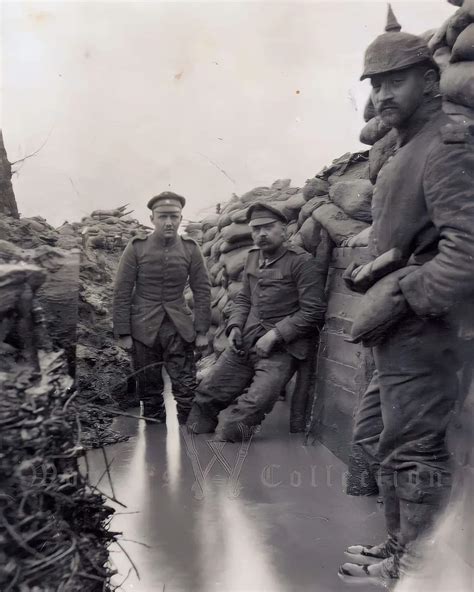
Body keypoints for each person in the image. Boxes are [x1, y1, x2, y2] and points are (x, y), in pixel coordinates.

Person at [339, 7, 474, 586]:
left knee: (416, 446)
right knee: (394, 440)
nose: (383, 94)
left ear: (428, 78)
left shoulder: (446, 144)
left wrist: (413, 294)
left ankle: (416, 564)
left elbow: (467, 246)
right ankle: (400, 544)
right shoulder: (403, 147)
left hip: (428, 329)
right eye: (376, 84)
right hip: (400, 328)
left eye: (395, 80)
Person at [186, 202, 326, 442]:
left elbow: (313, 310)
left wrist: (276, 335)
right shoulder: (252, 258)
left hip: (281, 350)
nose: (261, 234)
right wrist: (235, 326)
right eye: (255, 229)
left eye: (268, 227)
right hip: (245, 343)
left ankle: (226, 448)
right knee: (205, 397)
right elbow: (244, 297)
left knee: (251, 408)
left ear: (284, 229)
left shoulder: (301, 262)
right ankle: (194, 453)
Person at [113, 192, 211, 424]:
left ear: (180, 218)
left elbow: (203, 289)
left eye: (174, 217)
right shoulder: (136, 248)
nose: (169, 222)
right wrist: (123, 332)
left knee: (186, 388)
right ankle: (156, 452)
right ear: (152, 219)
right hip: (143, 330)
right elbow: (122, 290)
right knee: (149, 392)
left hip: (179, 328)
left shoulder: (190, 248)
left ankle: (191, 445)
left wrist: (202, 331)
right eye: (163, 216)